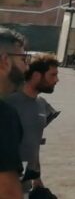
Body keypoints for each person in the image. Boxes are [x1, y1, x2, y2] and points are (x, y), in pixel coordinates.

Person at [6, 54, 59, 197]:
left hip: (26, 182)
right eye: (53, 75)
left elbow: (33, 144)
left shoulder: (42, 104)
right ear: (36, 76)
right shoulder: (9, 103)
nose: (56, 80)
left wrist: (37, 177)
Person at [0, 27, 28, 199]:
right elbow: (7, 192)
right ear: (5, 61)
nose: (27, 67)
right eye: (23, 59)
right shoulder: (4, 116)